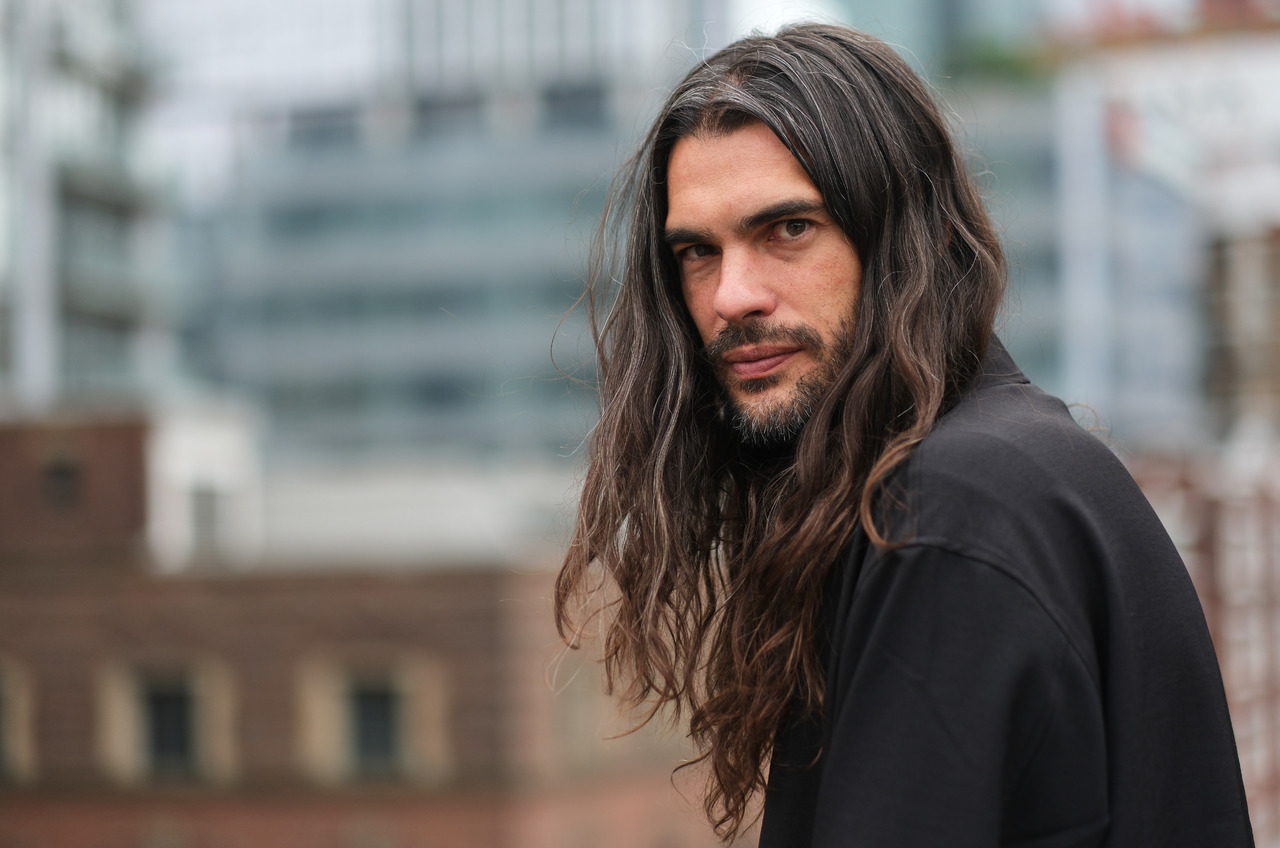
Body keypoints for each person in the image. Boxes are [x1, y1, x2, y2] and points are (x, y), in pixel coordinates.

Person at [554, 23, 1253, 847]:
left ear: (912, 236)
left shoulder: (947, 512)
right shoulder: (1011, 469)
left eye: (788, 229)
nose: (731, 296)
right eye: (698, 251)